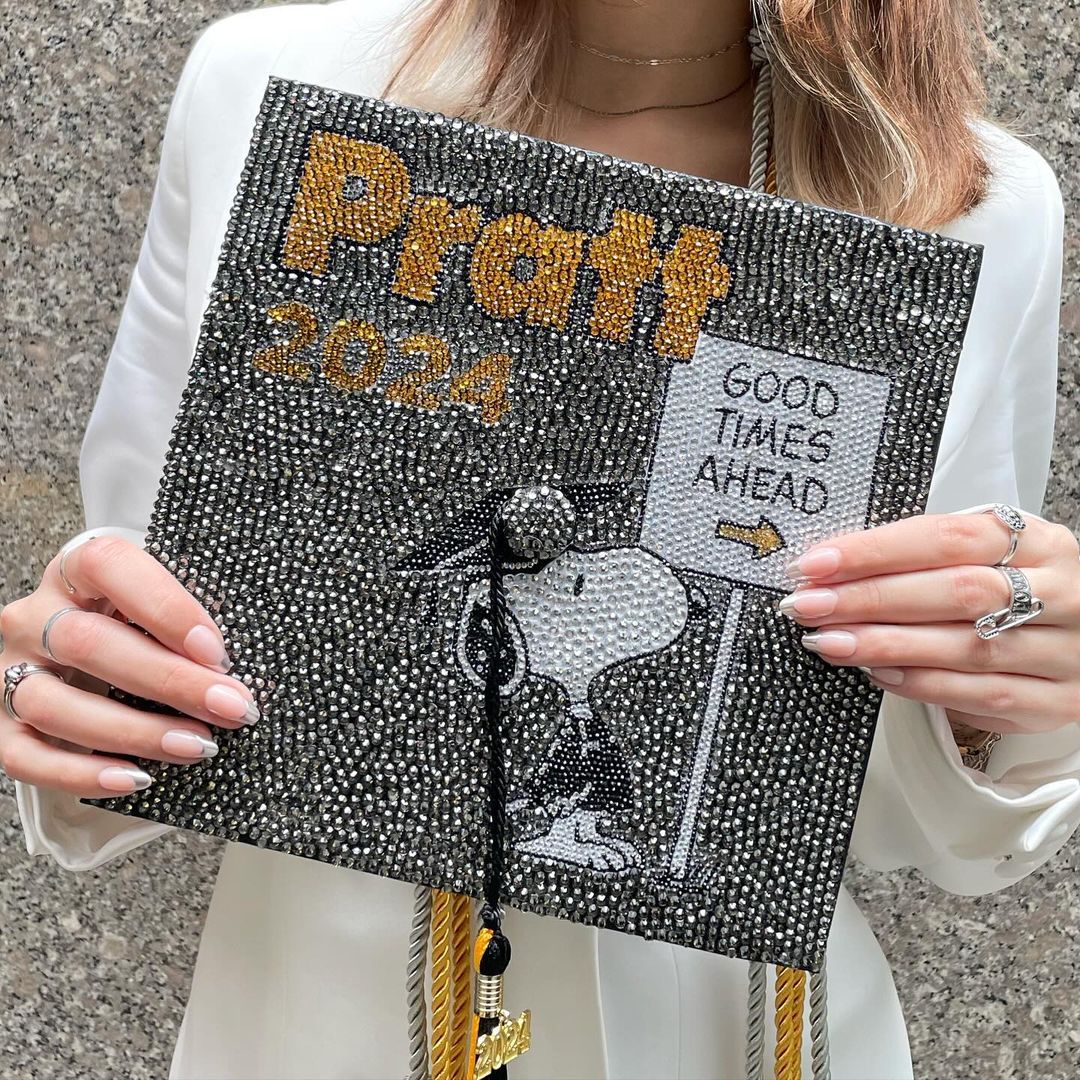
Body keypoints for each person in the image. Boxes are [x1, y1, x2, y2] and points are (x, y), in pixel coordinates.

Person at [2, 1, 1078, 1076]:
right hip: (327, 1013)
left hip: (734, 1034)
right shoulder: (272, 83)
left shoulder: (966, 199)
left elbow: (912, 810)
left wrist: (1013, 706)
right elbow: (151, 617)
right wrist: (75, 677)